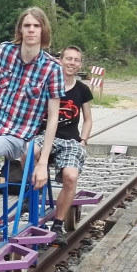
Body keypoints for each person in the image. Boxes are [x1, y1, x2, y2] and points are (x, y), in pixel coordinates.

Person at [0, 7, 63, 235]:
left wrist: (42, 164)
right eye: (27, 25)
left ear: (43, 30)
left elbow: (53, 119)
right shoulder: (5, 51)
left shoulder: (52, 68)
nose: (31, 30)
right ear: (20, 29)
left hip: (18, 135)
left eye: (36, 26)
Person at [41, 46, 95, 245]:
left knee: (70, 176)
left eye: (76, 60)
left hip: (69, 140)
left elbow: (88, 119)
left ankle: (58, 223)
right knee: (29, 152)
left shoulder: (82, 90)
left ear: (80, 64)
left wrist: (83, 139)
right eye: (68, 58)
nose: (72, 63)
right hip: (44, 136)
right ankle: (29, 197)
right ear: (60, 60)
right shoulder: (47, 84)